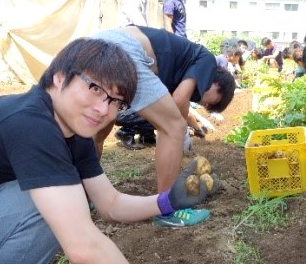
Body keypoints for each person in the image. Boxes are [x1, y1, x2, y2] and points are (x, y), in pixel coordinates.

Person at [0, 39, 214, 264]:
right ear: (59, 77)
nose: (102, 109)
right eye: (95, 88)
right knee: (49, 206)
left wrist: (166, 201)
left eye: (116, 102)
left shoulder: (72, 130)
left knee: (60, 200)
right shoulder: (30, 125)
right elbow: (82, 248)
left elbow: (110, 204)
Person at [91, 25, 235, 192]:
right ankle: (166, 208)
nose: (205, 105)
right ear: (218, 84)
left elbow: (182, 103)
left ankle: (85, 189)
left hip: (96, 46)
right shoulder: (207, 61)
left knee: (99, 128)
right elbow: (180, 100)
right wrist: (180, 134)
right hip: (125, 50)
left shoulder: (181, 69)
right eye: (212, 103)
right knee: (174, 127)